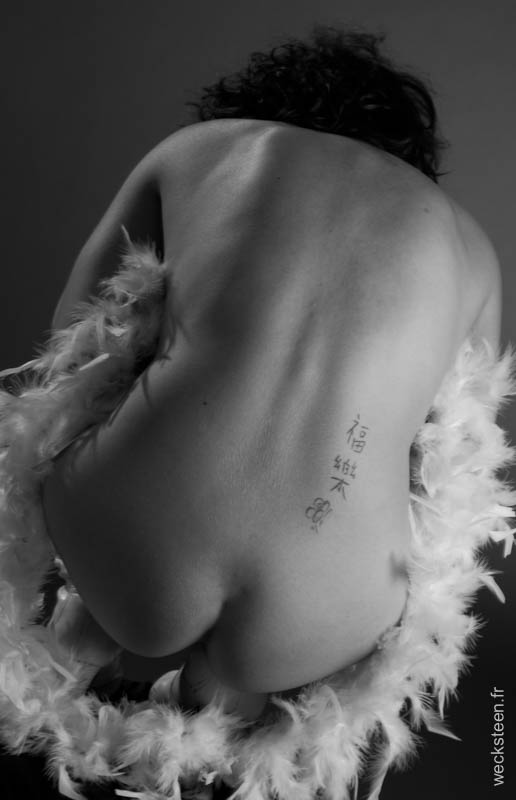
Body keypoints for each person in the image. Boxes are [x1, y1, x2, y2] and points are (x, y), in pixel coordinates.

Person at [1, 24, 511, 800]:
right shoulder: (469, 246)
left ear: (260, 103)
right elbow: (458, 474)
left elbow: (68, 352)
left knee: (111, 575)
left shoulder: (200, 150)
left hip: (133, 537)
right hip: (326, 605)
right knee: (239, 680)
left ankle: (75, 649)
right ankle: (219, 709)